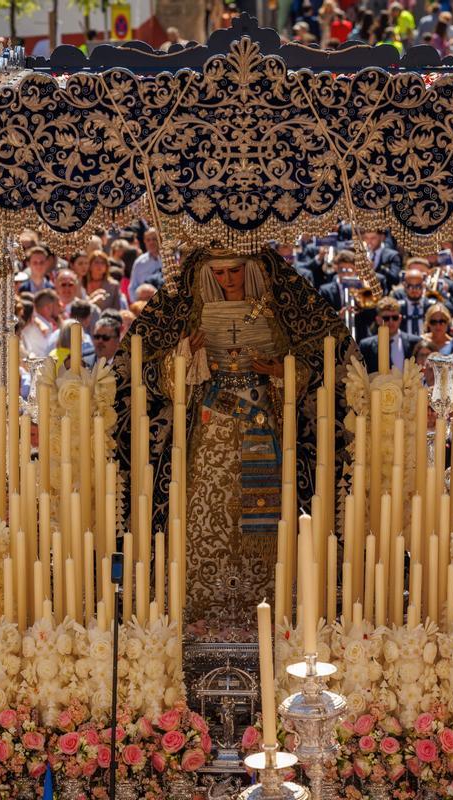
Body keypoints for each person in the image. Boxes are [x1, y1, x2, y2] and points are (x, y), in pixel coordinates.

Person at [115, 246, 351, 625]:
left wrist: (279, 370)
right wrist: (185, 359)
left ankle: (266, 608)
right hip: (211, 431)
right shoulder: (193, 313)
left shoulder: (272, 314)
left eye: (234, 272)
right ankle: (204, 609)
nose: (227, 281)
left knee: (265, 519)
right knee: (208, 512)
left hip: (261, 426)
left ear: (250, 270)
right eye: (220, 274)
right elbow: (159, 377)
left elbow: (313, 367)